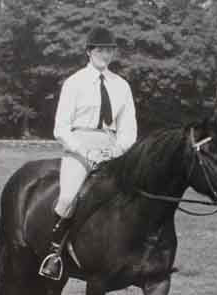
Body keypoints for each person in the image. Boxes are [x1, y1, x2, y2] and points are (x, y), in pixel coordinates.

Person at [39, 25, 138, 280]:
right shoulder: (74, 83)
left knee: (136, 195)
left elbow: (129, 129)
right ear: (89, 51)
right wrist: (85, 150)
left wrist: (116, 149)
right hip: (79, 144)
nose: (106, 54)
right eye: (101, 49)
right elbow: (60, 128)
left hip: (112, 147)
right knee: (69, 198)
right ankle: (54, 254)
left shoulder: (122, 86)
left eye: (110, 50)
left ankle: (133, 253)